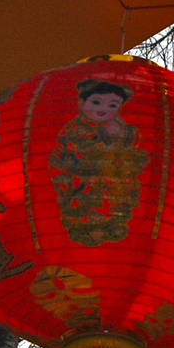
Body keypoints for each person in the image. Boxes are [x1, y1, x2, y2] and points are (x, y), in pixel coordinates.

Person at [49, 79, 148, 245]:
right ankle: (84, 226)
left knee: (113, 202)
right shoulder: (75, 128)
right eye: (96, 102)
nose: (103, 110)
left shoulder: (122, 127)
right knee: (86, 203)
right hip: (82, 178)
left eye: (112, 105)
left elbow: (133, 150)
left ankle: (112, 224)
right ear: (81, 103)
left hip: (113, 181)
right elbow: (68, 152)